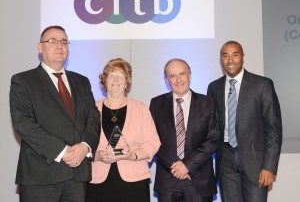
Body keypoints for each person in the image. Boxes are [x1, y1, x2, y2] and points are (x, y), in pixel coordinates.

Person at [9, 25, 101, 202]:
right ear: (40, 47)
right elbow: (24, 124)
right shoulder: (23, 81)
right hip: (40, 176)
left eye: (64, 42)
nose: (60, 46)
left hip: (77, 175)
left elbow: (93, 117)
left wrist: (85, 147)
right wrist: (63, 151)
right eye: (52, 41)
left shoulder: (82, 81)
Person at [207, 41, 282, 202]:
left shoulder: (262, 85)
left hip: (255, 161)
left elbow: (273, 129)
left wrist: (269, 167)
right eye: (225, 56)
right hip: (225, 160)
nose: (230, 60)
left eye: (235, 55)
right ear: (221, 60)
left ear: (243, 57)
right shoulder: (213, 88)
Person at [85, 58, 161, 202]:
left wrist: (132, 155)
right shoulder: (91, 109)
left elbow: (153, 143)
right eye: (111, 75)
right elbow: (82, 144)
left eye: (120, 76)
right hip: (98, 181)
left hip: (134, 182)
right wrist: (98, 156)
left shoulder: (141, 109)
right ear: (104, 81)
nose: (116, 79)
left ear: (127, 82)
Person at [149, 58, 220, 202]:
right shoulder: (156, 104)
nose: (178, 80)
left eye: (182, 74)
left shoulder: (208, 103)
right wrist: (176, 166)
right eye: (172, 75)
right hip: (168, 179)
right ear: (167, 79)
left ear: (190, 75)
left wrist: (187, 165)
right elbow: (152, 139)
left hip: (199, 180)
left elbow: (213, 138)